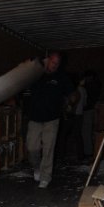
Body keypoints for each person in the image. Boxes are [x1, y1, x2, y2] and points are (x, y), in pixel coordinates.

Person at [26, 51, 76, 188]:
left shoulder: (61, 77)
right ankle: (36, 167)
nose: (55, 65)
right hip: (35, 118)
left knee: (48, 148)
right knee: (32, 148)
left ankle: (45, 177)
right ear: (47, 60)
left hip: (52, 119)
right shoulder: (36, 74)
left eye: (57, 64)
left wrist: (71, 100)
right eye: (53, 62)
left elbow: (72, 93)